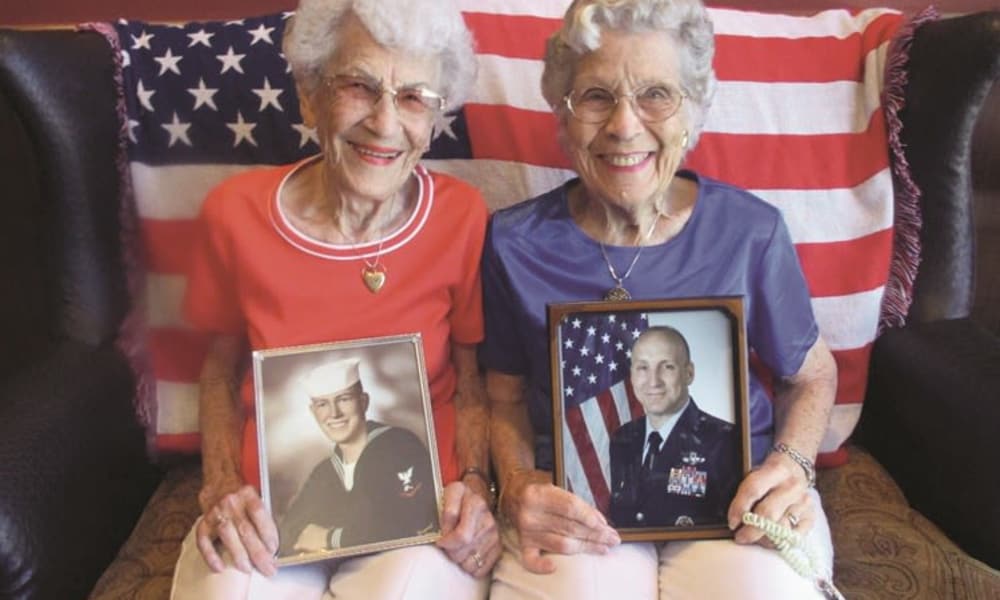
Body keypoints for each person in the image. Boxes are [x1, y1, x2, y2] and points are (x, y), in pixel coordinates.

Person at [481, 0, 838, 597]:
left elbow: (814, 375)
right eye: (596, 96)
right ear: (563, 115)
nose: (624, 125)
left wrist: (792, 466)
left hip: (733, 502)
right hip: (580, 506)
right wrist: (516, 479)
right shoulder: (513, 243)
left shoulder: (751, 231)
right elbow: (502, 395)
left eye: (655, 94)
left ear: (692, 112)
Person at [170, 1, 499, 598]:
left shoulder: (462, 217)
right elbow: (217, 373)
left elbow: (474, 381)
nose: (385, 122)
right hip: (267, 516)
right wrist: (219, 486)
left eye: (414, 97)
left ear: (435, 118)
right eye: (359, 86)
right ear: (309, 96)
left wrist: (477, 484)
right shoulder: (234, 214)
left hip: (420, 515)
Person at [276, 358, 437, 558]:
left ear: (364, 402)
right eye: (322, 404)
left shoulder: (400, 446)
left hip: (404, 560)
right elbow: (291, 533)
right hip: (332, 569)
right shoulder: (324, 472)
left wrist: (331, 538)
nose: (334, 414)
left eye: (344, 399)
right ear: (313, 412)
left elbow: (413, 522)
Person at [607, 326, 738, 529]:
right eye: (643, 368)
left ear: (689, 373)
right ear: (631, 375)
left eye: (667, 366)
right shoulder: (623, 438)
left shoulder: (724, 440)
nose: (654, 381)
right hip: (628, 550)